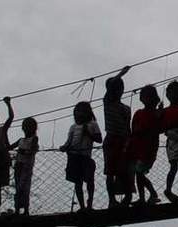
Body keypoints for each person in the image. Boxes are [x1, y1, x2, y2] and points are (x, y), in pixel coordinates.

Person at [60, 101, 102, 211]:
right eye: (77, 112)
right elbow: (68, 142)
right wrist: (64, 147)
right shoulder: (73, 127)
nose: (78, 114)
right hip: (74, 156)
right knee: (77, 183)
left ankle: (89, 204)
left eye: (81, 111)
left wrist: (88, 133)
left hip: (85, 156)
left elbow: (99, 139)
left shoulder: (93, 124)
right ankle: (82, 206)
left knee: (89, 181)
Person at [102, 65, 133, 209]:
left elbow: (128, 128)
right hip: (111, 140)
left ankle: (127, 197)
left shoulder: (126, 108)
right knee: (110, 171)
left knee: (124, 171)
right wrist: (121, 74)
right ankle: (112, 200)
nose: (117, 90)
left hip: (123, 141)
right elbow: (112, 85)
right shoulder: (108, 103)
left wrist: (129, 141)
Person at [127, 84, 163, 206]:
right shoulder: (142, 113)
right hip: (138, 149)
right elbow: (134, 130)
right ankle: (146, 196)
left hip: (148, 149)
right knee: (139, 173)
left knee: (139, 173)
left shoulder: (155, 114)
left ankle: (150, 195)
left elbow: (157, 128)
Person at [11, 116, 39, 216]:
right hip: (18, 165)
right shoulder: (20, 140)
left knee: (25, 187)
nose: (27, 129)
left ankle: (26, 210)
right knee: (18, 187)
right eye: (25, 126)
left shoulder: (34, 139)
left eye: (29, 127)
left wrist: (24, 151)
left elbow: (33, 150)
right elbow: (10, 146)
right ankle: (17, 210)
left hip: (27, 166)